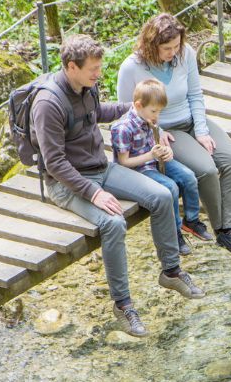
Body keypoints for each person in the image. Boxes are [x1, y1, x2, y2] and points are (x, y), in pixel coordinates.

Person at [31, 34, 204, 339]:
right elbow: (55, 163)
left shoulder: (86, 87)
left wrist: (135, 109)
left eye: (99, 68)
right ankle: (123, 306)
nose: (98, 74)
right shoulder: (48, 104)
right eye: (93, 69)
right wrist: (95, 193)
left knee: (163, 195)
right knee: (113, 223)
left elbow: (96, 113)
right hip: (67, 185)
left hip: (102, 168)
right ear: (72, 66)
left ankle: (171, 272)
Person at [117, 13, 231, 260]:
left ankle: (229, 229)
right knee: (207, 170)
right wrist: (157, 130)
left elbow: (195, 94)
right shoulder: (131, 67)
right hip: (166, 131)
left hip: (192, 119)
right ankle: (220, 228)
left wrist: (201, 129)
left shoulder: (185, 54)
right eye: (167, 48)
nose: (172, 52)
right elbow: (127, 110)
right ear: (151, 44)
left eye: (176, 46)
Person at [110, 78, 211, 257]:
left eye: (160, 111)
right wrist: (151, 155)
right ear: (138, 105)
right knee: (170, 187)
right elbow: (124, 163)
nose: (157, 116)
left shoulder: (149, 119)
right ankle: (174, 232)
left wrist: (166, 152)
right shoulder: (123, 128)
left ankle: (192, 220)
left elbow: (155, 143)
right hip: (137, 170)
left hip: (155, 161)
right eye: (154, 110)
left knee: (188, 176)